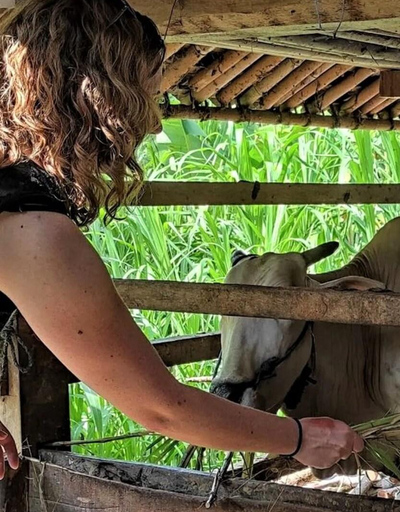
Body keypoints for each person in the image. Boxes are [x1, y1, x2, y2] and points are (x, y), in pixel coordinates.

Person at [0, 0, 364, 479]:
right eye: (140, 99)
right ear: (94, 99)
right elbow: (161, 408)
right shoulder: (32, 232)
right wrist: (299, 438)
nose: (151, 124)